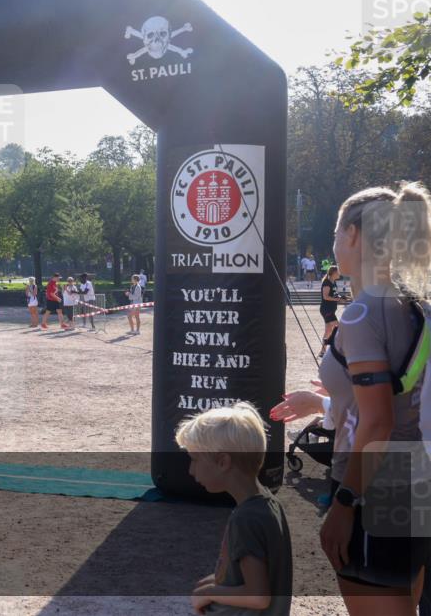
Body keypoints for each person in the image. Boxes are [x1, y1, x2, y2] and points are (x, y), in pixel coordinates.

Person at [270, 181, 431, 614]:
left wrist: (344, 503)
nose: (335, 244)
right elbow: (397, 402)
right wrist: (325, 404)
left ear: (355, 235)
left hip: (372, 489)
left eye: (336, 234)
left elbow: (378, 422)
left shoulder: (363, 313)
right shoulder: (412, 304)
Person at [175, 402, 293, 616]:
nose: (191, 470)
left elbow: (258, 596)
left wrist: (211, 591)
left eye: (194, 459)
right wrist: (218, 581)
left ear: (223, 462)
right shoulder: (269, 504)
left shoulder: (246, 518)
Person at [317, 265, 349, 358]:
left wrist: (342, 297)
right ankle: (340, 350)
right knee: (339, 328)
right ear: (333, 273)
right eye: (338, 271)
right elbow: (325, 296)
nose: (339, 273)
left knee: (328, 331)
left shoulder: (333, 282)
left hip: (330, 310)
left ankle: (322, 352)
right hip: (327, 310)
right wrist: (338, 300)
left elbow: (335, 294)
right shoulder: (327, 283)